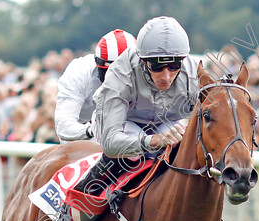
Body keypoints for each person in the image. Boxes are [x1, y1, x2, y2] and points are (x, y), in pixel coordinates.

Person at [83, 16, 199, 195]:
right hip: (120, 125)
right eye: (157, 66)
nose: (166, 76)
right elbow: (111, 143)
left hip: (165, 123)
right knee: (132, 154)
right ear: (143, 61)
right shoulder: (121, 73)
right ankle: (81, 200)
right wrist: (153, 141)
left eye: (174, 65)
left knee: (182, 145)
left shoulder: (194, 72)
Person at [55, 29, 136, 142]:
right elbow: (63, 126)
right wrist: (92, 130)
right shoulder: (78, 73)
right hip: (82, 136)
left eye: (126, 73)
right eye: (112, 73)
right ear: (98, 64)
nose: (119, 81)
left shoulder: (147, 73)